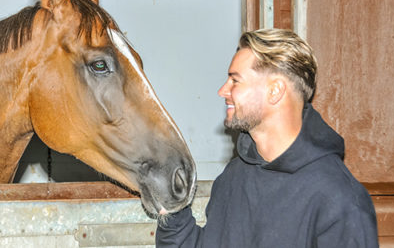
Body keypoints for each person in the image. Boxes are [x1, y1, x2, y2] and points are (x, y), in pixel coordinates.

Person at [155, 28, 377, 247]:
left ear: (275, 91)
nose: (222, 91)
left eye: (235, 80)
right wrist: (172, 209)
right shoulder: (232, 178)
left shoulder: (340, 199)